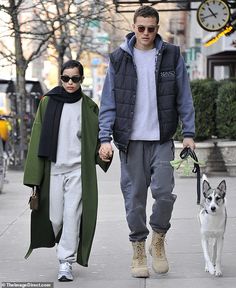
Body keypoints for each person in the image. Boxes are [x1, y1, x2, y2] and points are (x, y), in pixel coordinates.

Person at [98, 6, 195, 278]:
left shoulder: (171, 55)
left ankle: (159, 238)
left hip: (162, 139)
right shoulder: (118, 59)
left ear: (157, 27)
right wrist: (104, 138)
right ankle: (138, 248)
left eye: (151, 28)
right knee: (135, 199)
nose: (146, 33)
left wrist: (189, 133)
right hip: (130, 142)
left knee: (165, 193)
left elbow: (184, 97)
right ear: (134, 26)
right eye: (141, 28)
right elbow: (108, 102)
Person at [23, 60, 111, 282]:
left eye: (75, 78)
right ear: (60, 78)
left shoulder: (89, 107)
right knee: (54, 219)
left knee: (72, 216)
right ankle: (64, 244)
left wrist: (103, 152)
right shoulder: (47, 102)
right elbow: (36, 138)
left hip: (78, 172)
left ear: (82, 79)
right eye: (66, 78)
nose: (70, 83)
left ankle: (65, 262)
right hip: (53, 170)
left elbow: (97, 138)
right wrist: (34, 175)